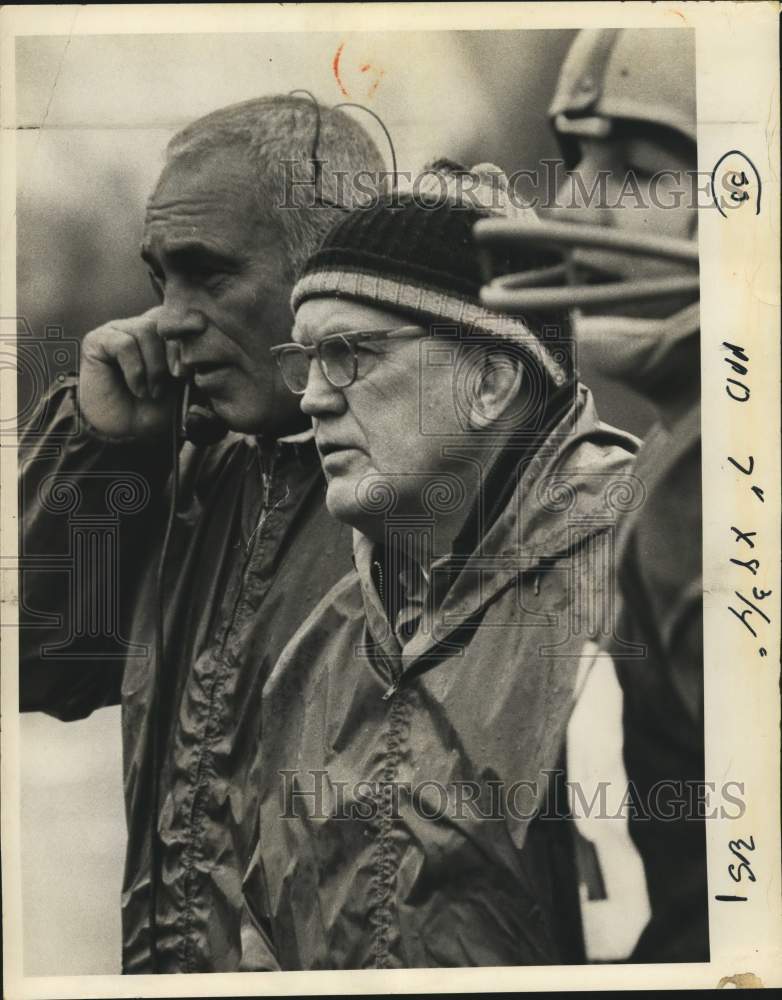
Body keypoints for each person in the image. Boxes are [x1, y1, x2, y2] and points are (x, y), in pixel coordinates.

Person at [238, 162, 639, 969]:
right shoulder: (314, 656)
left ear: (490, 378)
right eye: (307, 359)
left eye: (350, 353)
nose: (313, 396)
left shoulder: (630, 601)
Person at [19, 95, 385, 973]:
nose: (170, 319)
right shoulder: (192, 472)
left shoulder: (432, 492)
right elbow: (45, 663)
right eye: (161, 281)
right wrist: (103, 451)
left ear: (331, 269)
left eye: (208, 275)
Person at [479, 28, 705, 962]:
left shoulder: (714, 468)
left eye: (643, 174)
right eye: (580, 162)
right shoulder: (680, 440)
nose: (577, 206)